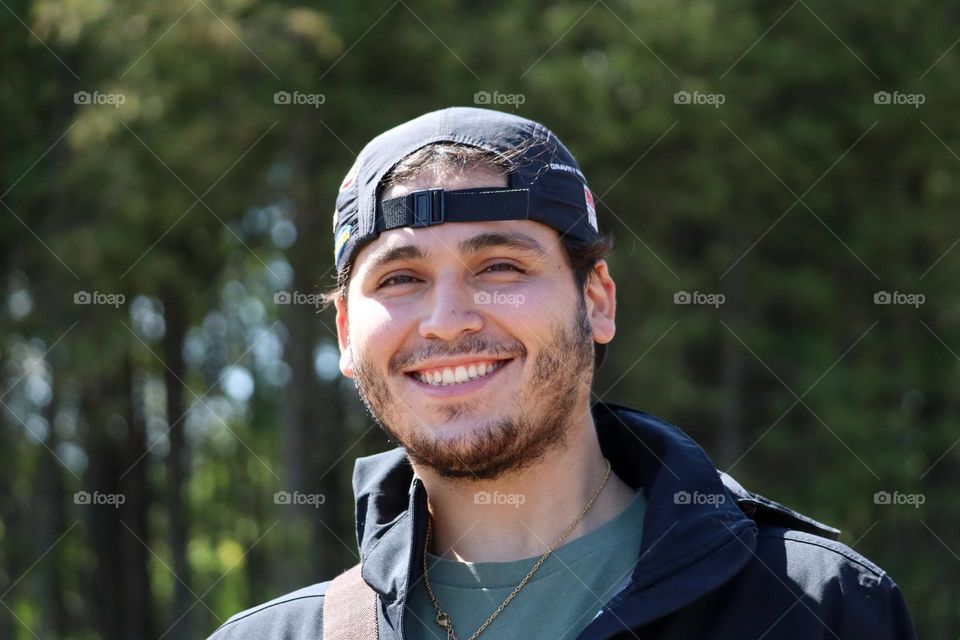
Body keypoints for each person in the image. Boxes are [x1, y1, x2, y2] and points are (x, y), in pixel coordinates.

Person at [208, 107, 917, 639]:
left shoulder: (817, 608)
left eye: (500, 267)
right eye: (400, 278)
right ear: (343, 333)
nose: (448, 320)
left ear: (597, 301)